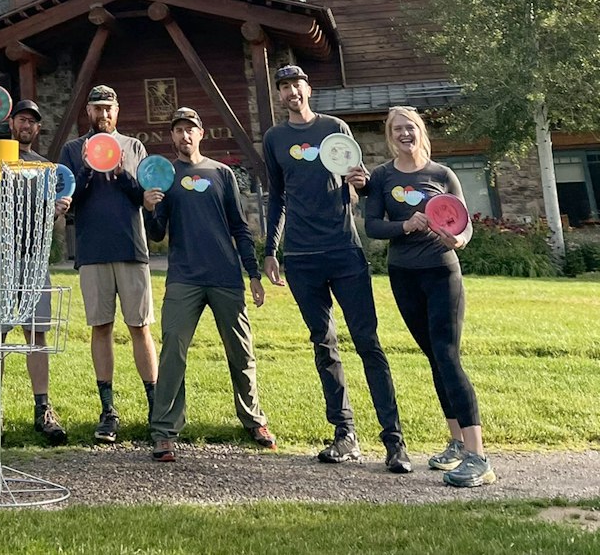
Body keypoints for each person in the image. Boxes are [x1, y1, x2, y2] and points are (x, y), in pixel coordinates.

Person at [263, 64, 411, 472]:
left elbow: (358, 184)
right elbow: (276, 197)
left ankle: (394, 442)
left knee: (368, 343)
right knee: (323, 344)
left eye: (297, 84)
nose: (292, 91)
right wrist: (271, 250)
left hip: (344, 251)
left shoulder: (335, 128)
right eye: (285, 87)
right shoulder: (275, 139)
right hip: (302, 258)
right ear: (280, 95)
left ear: (308, 88)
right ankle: (345, 435)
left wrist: (362, 184)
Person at [365, 106, 495, 488]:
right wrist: (405, 224)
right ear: (390, 136)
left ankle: (478, 456)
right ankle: (455, 443)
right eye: (397, 129)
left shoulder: (441, 174)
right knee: (434, 357)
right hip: (404, 275)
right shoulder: (382, 176)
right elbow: (373, 225)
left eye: (411, 127)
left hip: (442, 271)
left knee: (448, 355)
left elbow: (463, 224)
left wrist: (458, 239)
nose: (405, 134)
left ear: (421, 131)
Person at [144, 107, 275, 462]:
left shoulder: (222, 173)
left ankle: (253, 420)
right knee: (173, 348)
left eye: (191, 129)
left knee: (241, 351)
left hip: (225, 277)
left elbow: (240, 228)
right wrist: (148, 207)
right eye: (178, 131)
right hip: (184, 277)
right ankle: (164, 430)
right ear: (172, 137)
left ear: (201, 133)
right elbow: (157, 234)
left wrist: (253, 274)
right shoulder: (166, 177)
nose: (185, 136)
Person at [0, 95, 70, 446]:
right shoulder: (0, 157)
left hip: (34, 259)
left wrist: (58, 208)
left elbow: (49, 211)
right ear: (11, 124)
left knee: (36, 334)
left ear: (38, 128)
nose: (26, 125)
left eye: (32, 121)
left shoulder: (45, 167)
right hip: (0, 258)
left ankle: (43, 409)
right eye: (21, 120)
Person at [60, 83, 158, 443]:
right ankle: (107, 410)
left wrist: (122, 173)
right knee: (100, 328)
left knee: (140, 327)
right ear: (88, 112)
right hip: (92, 251)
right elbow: (70, 201)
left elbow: (144, 198)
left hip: (132, 248)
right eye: (97, 108)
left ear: (118, 111)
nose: (103, 115)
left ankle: (155, 407)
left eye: (109, 108)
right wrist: (87, 169)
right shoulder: (73, 150)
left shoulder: (134, 147)